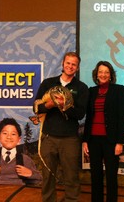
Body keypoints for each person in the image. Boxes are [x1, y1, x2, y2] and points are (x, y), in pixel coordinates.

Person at [34, 52, 88, 201]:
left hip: (70, 139)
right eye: (68, 63)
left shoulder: (81, 88)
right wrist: (49, 105)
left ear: (77, 68)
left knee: (71, 176)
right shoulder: (48, 83)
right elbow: (37, 108)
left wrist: (65, 106)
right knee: (48, 176)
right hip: (49, 137)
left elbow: (80, 114)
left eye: (74, 64)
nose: (70, 66)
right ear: (63, 64)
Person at [82, 61, 124, 202]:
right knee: (95, 176)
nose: (103, 74)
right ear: (96, 74)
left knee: (111, 177)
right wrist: (85, 140)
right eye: (100, 72)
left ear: (111, 75)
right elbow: (89, 117)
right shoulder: (91, 91)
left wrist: (120, 142)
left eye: (106, 72)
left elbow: (122, 116)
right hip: (93, 139)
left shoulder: (119, 90)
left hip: (111, 141)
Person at [0, 118, 42, 185]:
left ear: (19, 139)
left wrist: (30, 174)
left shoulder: (25, 159)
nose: (9, 137)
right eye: (5, 133)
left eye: (13, 134)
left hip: (20, 193)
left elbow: (39, 180)